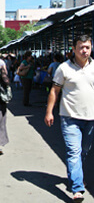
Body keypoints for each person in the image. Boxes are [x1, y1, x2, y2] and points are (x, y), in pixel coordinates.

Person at [45, 34, 94, 202]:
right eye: (81, 47)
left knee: (83, 151)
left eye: (87, 47)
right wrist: (49, 111)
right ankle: (77, 188)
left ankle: (76, 176)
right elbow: (54, 91)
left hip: (91, 119)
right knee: (74, 151)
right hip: (69, 117)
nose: (84, 50)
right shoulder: (63, 68)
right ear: (73, 49)